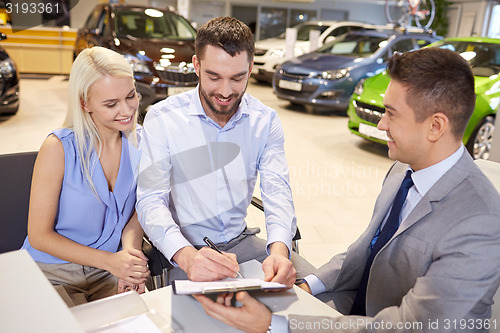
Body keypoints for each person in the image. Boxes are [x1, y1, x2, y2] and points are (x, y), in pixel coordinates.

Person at [194, 47, 500, 332]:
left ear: (436, 126)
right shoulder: (403, 170)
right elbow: (366, 250)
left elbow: (410, 325)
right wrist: (306, 287)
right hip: (360, 305)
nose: (381, 124)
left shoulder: (480, 221)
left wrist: (277, 324)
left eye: (392, 113)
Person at [136, 17, 315, 287]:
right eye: (214, 77)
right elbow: (150, 201)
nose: (225, 91)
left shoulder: (264, 121)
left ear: (251, 68)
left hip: (243, 244)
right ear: (196, 65)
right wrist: (186, 257)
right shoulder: (163, 118)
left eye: (237, 78)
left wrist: (279, 250)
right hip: (186, 250)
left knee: (321, 295)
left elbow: (277, 191)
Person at [22, 46, 150, 307]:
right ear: (84, 103)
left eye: (130, 96)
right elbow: (39, 235)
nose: (126, 110)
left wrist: (130, 256)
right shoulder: (58, 148)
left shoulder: (143, 141)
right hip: (51, 273)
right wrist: (111, 262)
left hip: (109, 270)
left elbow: (140, 209)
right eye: (111, 104)